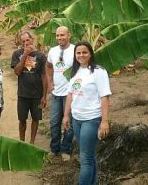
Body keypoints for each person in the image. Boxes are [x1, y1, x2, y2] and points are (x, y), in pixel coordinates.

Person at [62, 41, 112, 185]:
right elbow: (70, 95)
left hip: (92, 119)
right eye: (78, 52)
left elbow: (105, 97)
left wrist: (104, 121)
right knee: (89, 156)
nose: (81, 55)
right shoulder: (75, 71)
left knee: (85, 160)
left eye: (84, 52)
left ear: (90, 54)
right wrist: (66, 116)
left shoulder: (98, 71)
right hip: (77, 118)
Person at [11, 30, 47, 144]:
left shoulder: (41, 56)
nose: (26, 43)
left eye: (28, 40)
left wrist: (44, 96)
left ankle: (32, 142)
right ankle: (22, 142)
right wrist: (25, 54)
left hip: (37, 94)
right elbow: (17, 72)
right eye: (23, 41)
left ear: (32, 40)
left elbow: (44, 76)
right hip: (23, 94)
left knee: (36, 119)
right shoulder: (17, 54)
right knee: (22, 119)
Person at [46, 26, 74, 161]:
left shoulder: (75, 50)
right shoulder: (52, 51)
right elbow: (49, 66)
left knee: (68, 123)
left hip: (70, 93)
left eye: (62, 35)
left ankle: (66, 149)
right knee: (54, 122)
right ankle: (54, 149)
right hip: (56, 93)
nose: (59, 38)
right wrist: (50, 83)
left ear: (69, 35)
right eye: (57, 35)